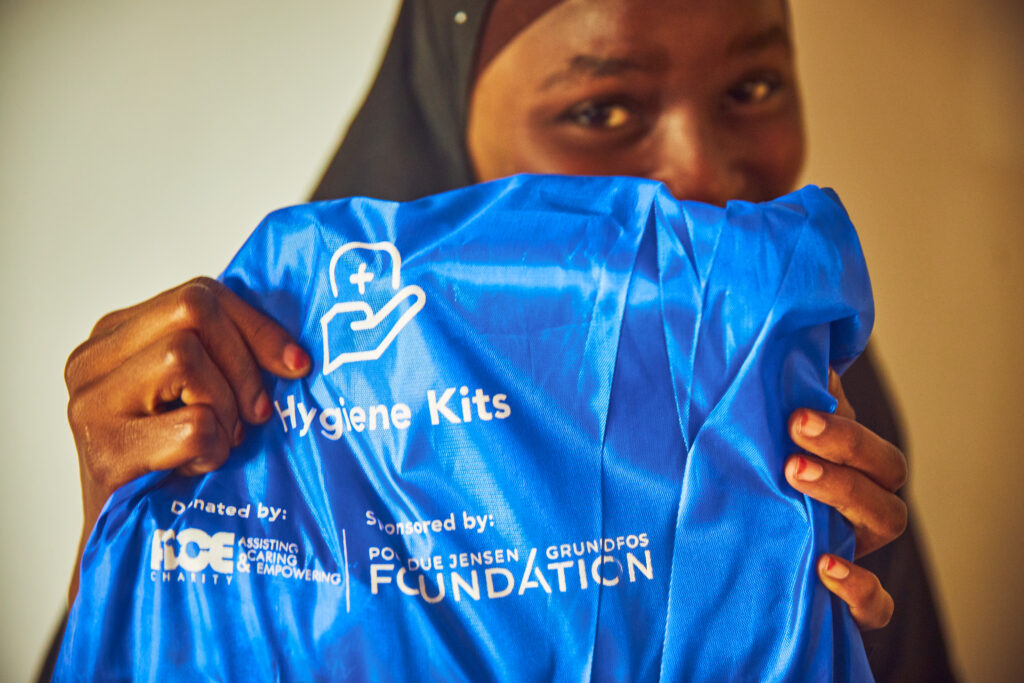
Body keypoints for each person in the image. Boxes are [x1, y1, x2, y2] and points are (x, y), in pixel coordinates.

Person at [48, 0, 955, 680]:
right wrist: (131, 548)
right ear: (451, 122)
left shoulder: (811, 397)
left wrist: (839, 633)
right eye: (602, 111)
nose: (700, 175)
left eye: (752, 87)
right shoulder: (269, 412)